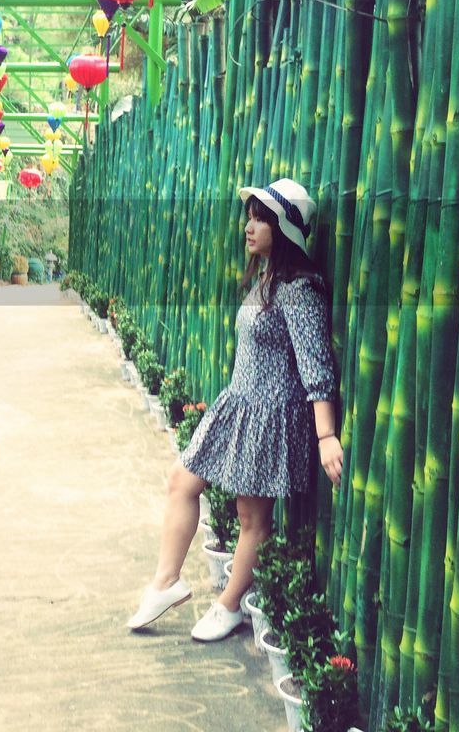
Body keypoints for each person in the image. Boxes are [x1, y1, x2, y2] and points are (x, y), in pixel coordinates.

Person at [125, 178, 343, 641]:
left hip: (268, 415)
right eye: (250, 216)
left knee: (252, 521)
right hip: (237, 403)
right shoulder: (267, 278)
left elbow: (316, 365)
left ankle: (230, 606)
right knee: (181, 482)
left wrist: (325, 435)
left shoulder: (299, 290)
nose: (250, 226)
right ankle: (166, 582)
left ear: (283, 229)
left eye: (261, 218)